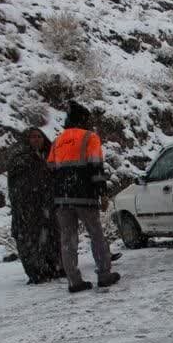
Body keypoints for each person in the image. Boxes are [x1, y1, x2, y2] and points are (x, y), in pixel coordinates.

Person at [47, 101, 120, 293]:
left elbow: (51, 170)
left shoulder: (57, 141)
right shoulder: (90, 137)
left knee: (68, 239)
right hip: (85, 196)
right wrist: (102, 193)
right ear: (83, 119)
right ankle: (104, 274)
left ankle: (74, 281)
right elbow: (96, 168)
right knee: (96, 235)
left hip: (62, 197)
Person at [7, 128, 63, 284]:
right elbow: (20, 184)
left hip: (48, 205)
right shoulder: (20, 158)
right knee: (30, 240)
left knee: (52, 236)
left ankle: (55, 267)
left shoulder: (49, 155)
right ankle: (37, 272)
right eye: (32, 137)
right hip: (27, 207)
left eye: (39, 136)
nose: (36, 139)